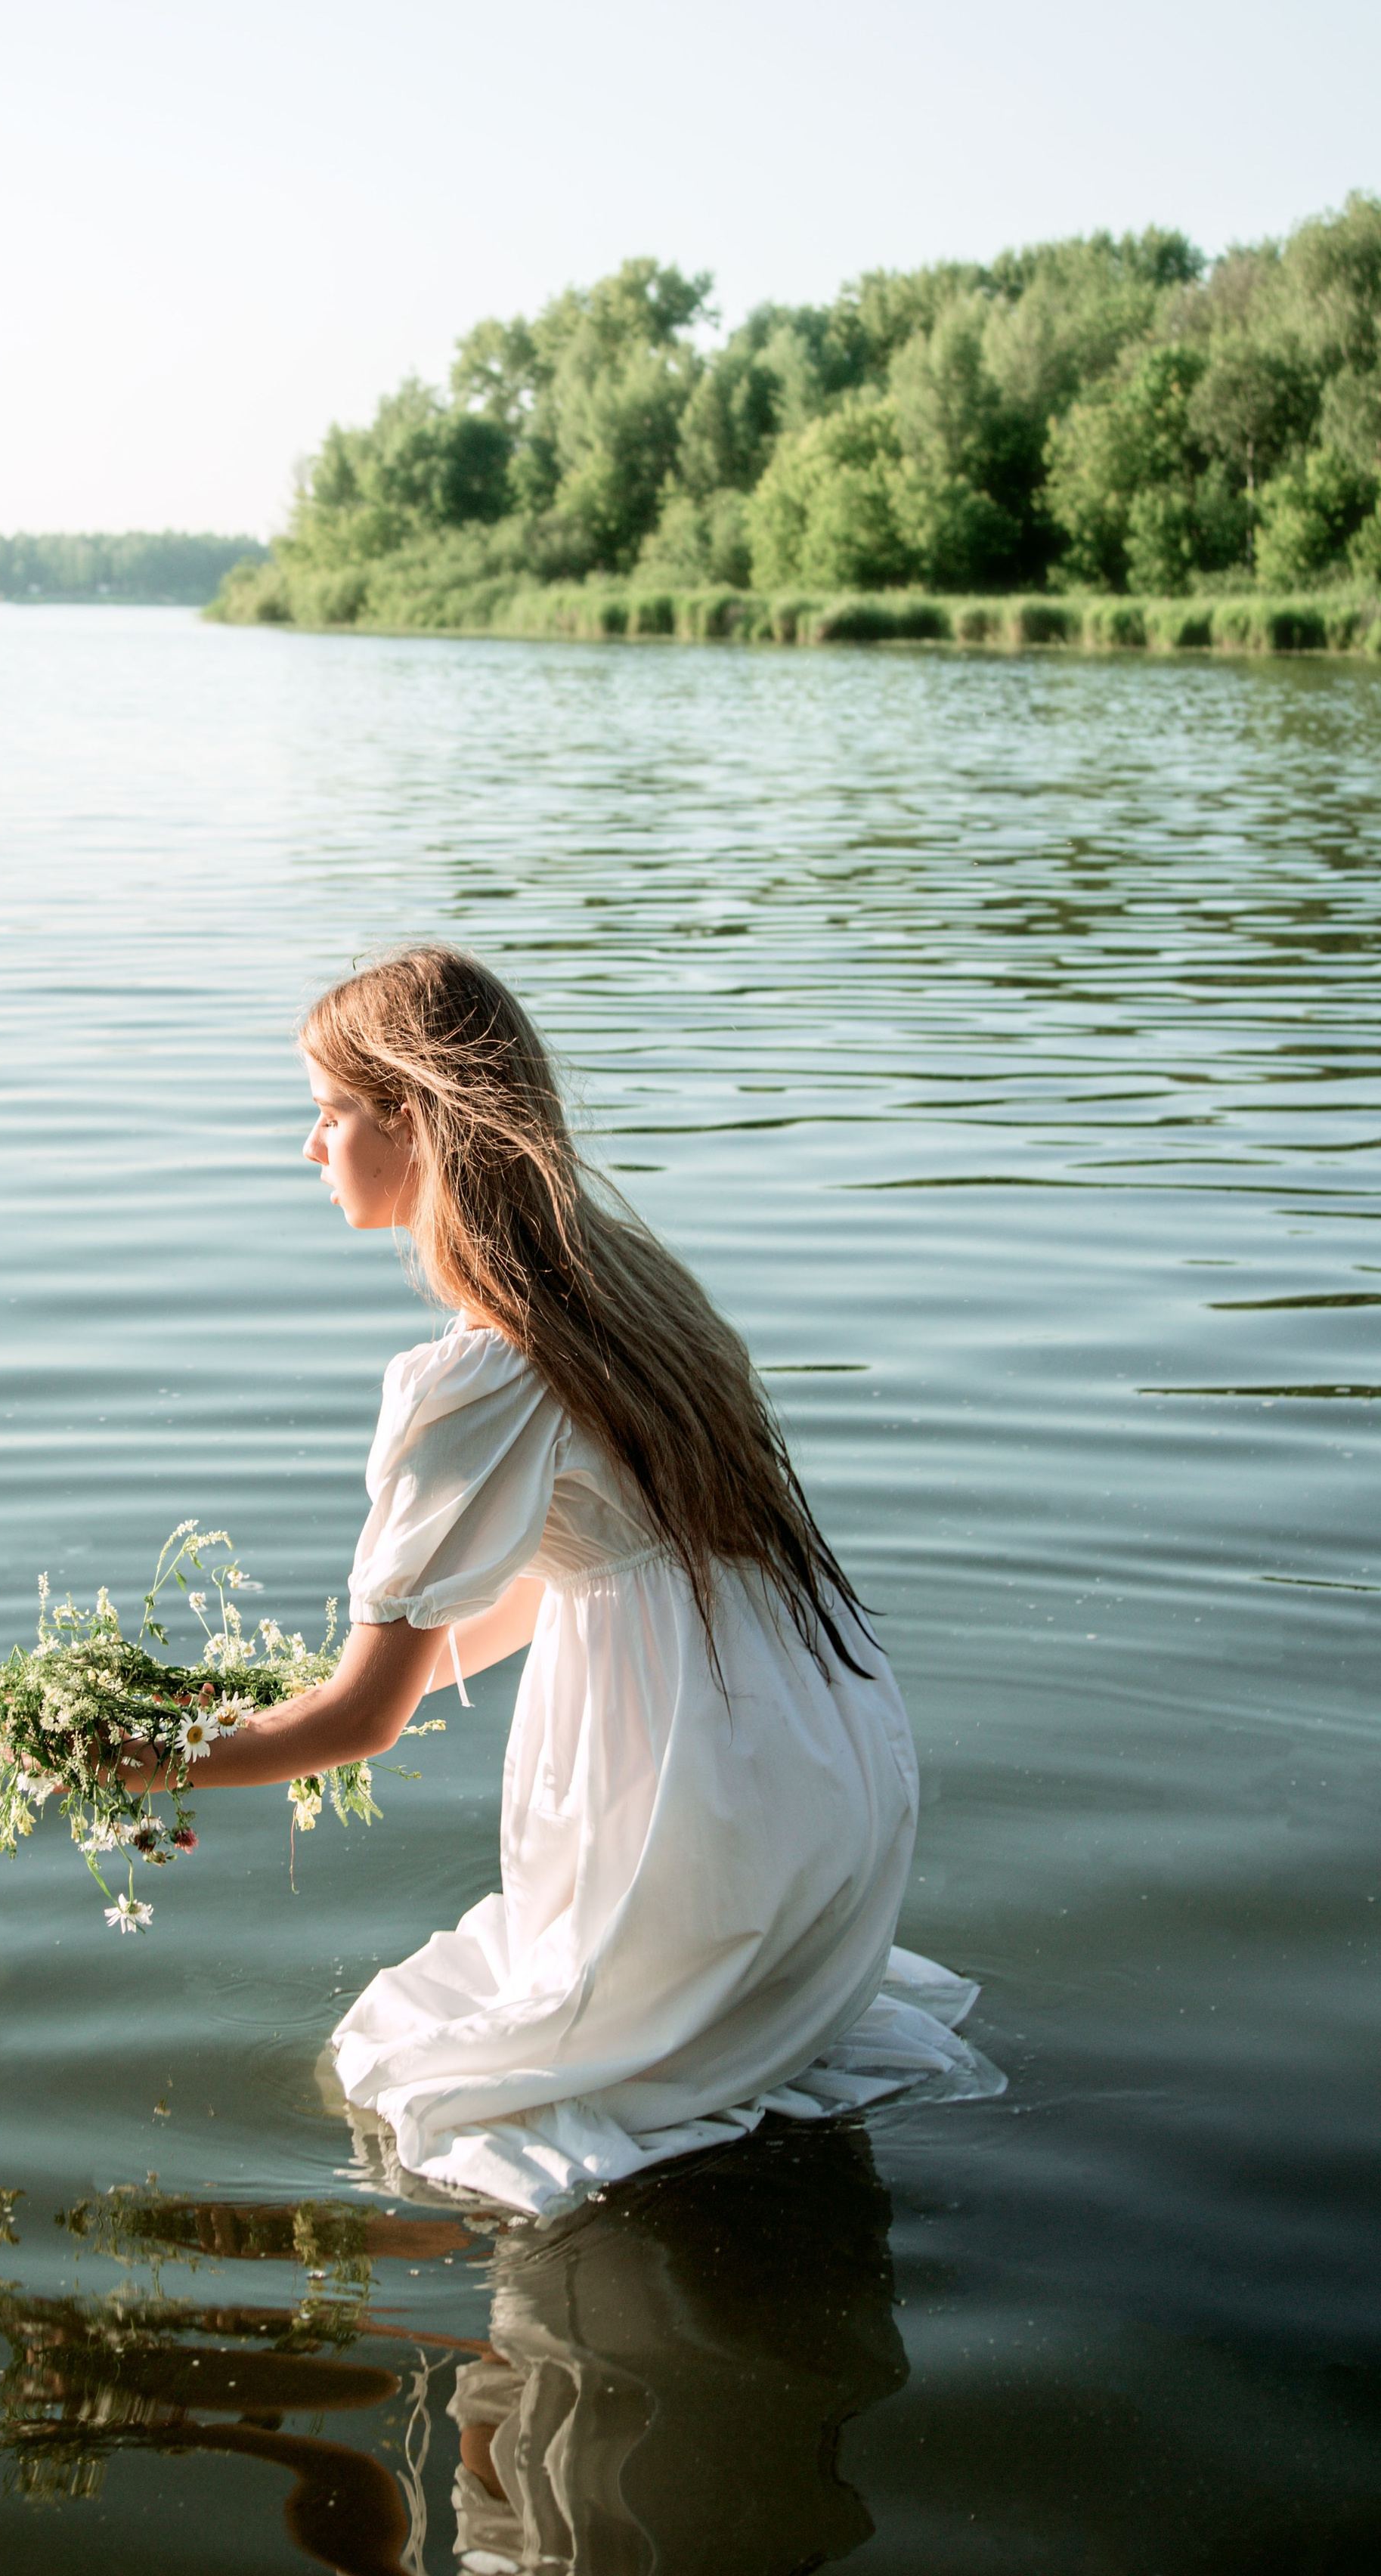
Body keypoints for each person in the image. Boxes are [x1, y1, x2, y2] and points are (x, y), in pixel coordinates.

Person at [163, 943, 1000, 2215]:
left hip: (700, 1776)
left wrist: (143, 1762)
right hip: (817, 1749)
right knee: (531, 2045)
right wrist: (307, 1694)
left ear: (413, 1119)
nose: (310, 1147)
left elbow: (360, 1722)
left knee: (429, 2086)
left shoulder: (482, 1371)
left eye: (331, 1113)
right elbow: (572, 1574)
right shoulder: (623, 1285)